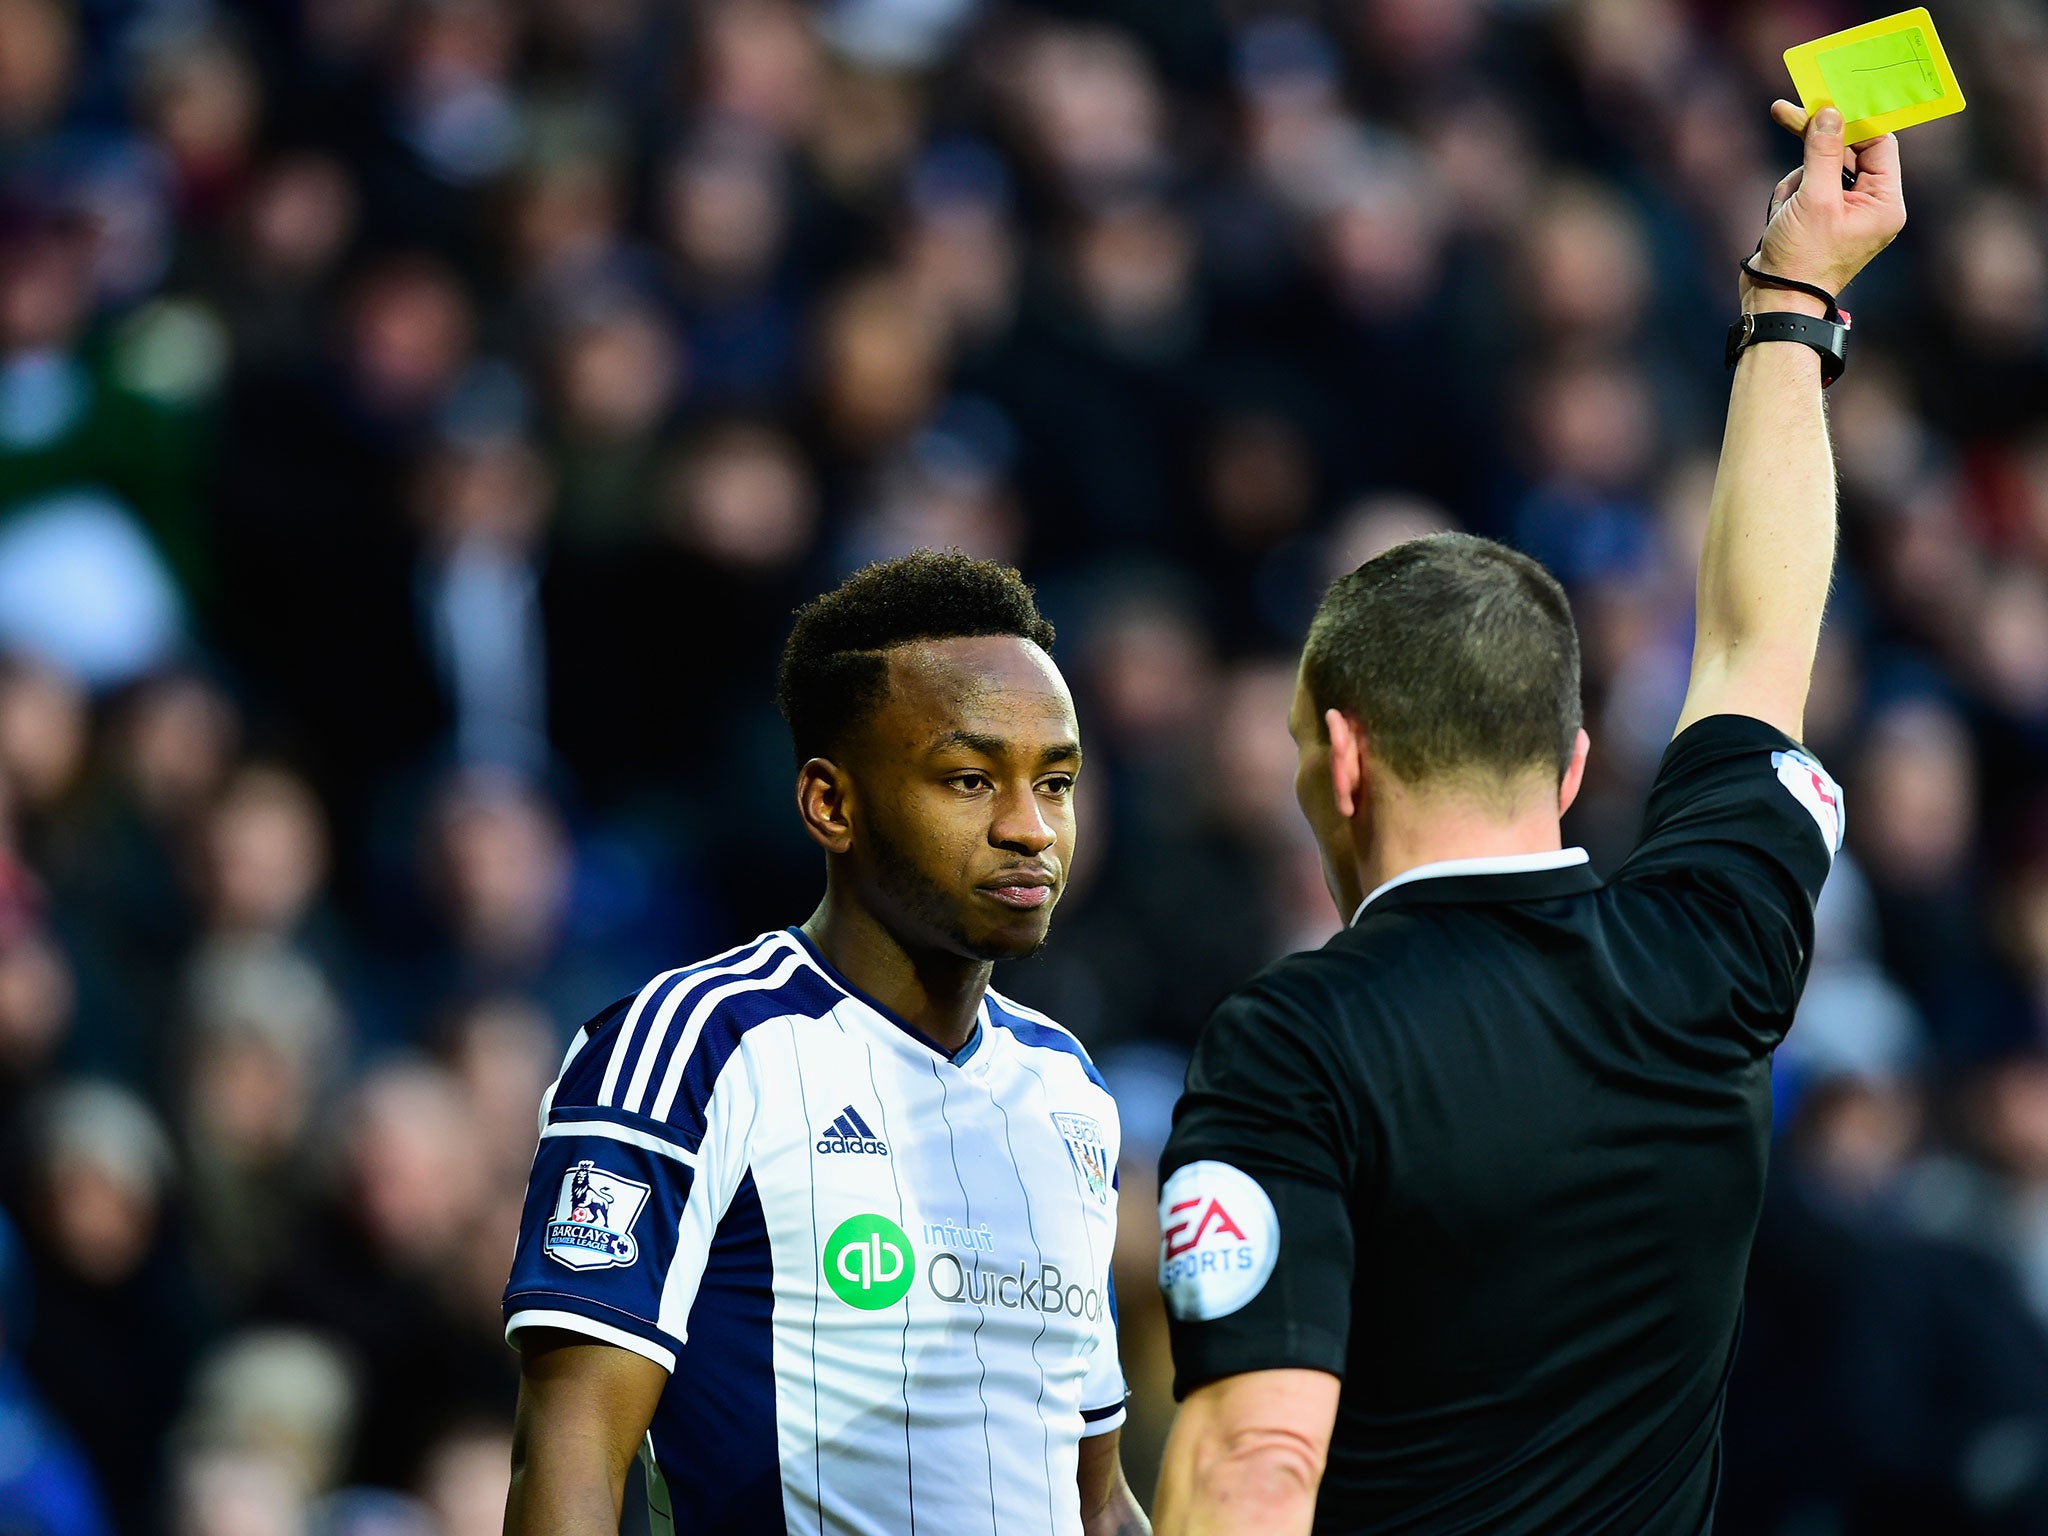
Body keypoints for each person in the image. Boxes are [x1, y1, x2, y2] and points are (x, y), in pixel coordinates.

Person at [1149, 102, 1905, 1535]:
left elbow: (1258, 1464)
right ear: (1569, 765)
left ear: (1340, 758)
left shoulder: (1293, 1044)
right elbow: (1757, 641)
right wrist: (1796, 299)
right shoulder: (1706, 954)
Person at [501, 551, 1147, 1535]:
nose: (1030, 828)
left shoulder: (1069, 1093)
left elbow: (1091, 1502)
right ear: (829, 804)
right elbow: (569, 1453)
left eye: (1053, 782)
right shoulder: (696, 1049)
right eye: (970, 779)